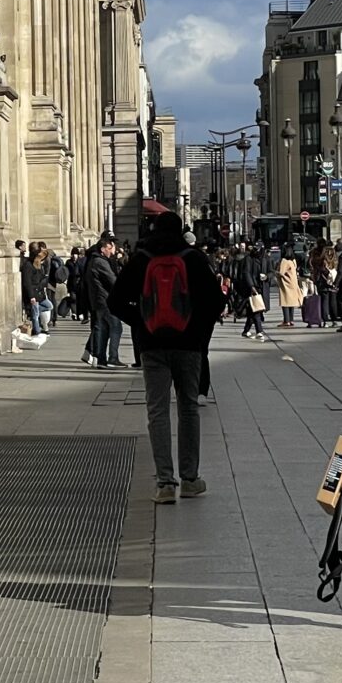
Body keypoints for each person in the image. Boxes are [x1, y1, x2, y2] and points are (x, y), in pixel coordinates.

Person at [111, 212, 228, 505]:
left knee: (157, 410)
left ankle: (164, 482)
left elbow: (115, 301)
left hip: (152, 345)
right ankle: (190, 479)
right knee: (188, 408)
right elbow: (216, 301)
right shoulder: (194, 258)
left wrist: (142, 321)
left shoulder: (142, 259)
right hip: (189, 345)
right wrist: (197, 330)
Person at [86, 235, 124, 366]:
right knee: (116, 327)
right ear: (102, 249)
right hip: (104, 300)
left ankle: (100, 358)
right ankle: (113, 357)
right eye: (109, 248)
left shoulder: (94, 260)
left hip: (98, 300)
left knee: (103, 329)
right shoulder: (100, 262)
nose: (111, 251)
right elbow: (112, 280)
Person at [234, 240, 269, 340]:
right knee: (256, 309)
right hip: (252, 288)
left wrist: (266, 276)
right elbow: (246, 273)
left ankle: (246, 331)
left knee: (252, 310)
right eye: (255, 249)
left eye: (258, 249)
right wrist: (251, 286)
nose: (256, 251)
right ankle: (259, 331)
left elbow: (271, 271)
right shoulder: (248, 259)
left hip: (263, 287)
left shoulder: (266, 259)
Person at [275, 247, 303, 328]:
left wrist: (275, 273)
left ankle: (286, 320)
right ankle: (291, 320)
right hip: (293, 283)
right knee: (291, 302)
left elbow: (281, 272)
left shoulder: (284, 261)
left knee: (285, 302)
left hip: (286, 284)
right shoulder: (293, 261)